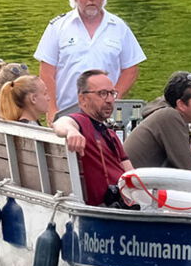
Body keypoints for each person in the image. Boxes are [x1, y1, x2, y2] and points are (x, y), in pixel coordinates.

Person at [36, 0, 146, 123]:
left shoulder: (119, 27)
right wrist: (52, 110)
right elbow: (46, 72)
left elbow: (131, 69)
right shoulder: (58, 27)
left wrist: (113, 98)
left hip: (107, 116)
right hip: (67, 113)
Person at [54, 70, 134, 207]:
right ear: (82, 99)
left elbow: (132, 175)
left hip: (126, 204)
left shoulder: (111, 134)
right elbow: (60, 123)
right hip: (105, 212)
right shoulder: (82, 122)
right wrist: (72, 131)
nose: (109, 100)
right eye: (102, 94)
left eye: (112, 93)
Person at [126, 71, 191, 171]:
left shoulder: (165, 114)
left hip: (141, 182)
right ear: (181, 105)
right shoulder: (169, 117)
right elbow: (190, 174)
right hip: (135, 185)